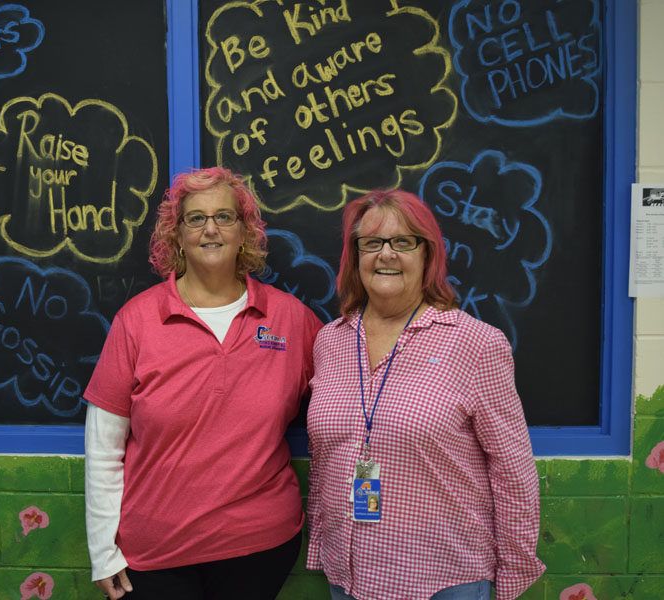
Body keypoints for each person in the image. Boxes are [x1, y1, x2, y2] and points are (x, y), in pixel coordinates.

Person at [83, 166, 323, 599]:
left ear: (245, 231)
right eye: (195, 218)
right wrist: (102, 549)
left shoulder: (291, 319)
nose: (210, 229)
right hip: (155, 555)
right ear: (175, 235)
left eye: (225, 217)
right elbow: (104, 447)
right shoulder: (137, 320)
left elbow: (347, 395)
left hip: (258, 547)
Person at [305, 189, 545, 600]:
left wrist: (512, 574)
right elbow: (324, 459)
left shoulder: (476, 344)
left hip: (444, 580)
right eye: (372, 243)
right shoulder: (330, 341)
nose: (386, 255)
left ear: (428, 254)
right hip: (348, 575)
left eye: (403, 242)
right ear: (355, 255)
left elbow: (514, 474)